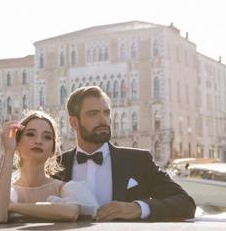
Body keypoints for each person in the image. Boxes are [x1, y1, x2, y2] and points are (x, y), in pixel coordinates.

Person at [56, 86, 196, 221]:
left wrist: (138, 208)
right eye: (93, 113)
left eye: (106, 112)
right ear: (74, 122)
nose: (103, 120)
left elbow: (185, 204)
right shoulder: (57, 166)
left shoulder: (138, 161)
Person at [0, 110, 98, 224]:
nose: (38, 141)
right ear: (17, 143)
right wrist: (9, 151)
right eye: (30, 134)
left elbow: (71, 213)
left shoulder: (64, 188)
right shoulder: (7, 190)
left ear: (52, 150)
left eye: (47, 137)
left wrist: (13, 207)